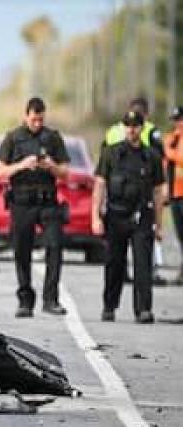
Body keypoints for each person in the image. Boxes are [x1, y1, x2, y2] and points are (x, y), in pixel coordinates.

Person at [0, 97, 70, 318]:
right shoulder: (13, 138)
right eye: (34, 119)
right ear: (26, 116)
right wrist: (21, 165)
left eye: (41, 119)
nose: (37, 123)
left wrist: (51, 166)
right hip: (22, 202)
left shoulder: (53, 138)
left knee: (55, 247)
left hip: (47, 201)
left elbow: (65, 173)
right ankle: (25, 301)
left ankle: (51, 299)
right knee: (22, 251)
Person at [92, 111, 166, 323]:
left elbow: (159, 191)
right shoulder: (111, 153)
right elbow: (99, 184)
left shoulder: (151, 156)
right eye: (128, 125)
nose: (131, 129)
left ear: (142, 128)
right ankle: (109, 305)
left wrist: (159, 225)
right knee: (114, 263)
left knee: (143, 265)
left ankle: (143, 309)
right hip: (116, 215)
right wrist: (95, 217)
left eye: (135, 126)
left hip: (142, 215)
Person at [103, 97, 167, 285]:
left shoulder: (114, 131)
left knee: (134, 253)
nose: (131, 129)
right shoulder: (152, 131)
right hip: (127, 200)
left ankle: (141, 303)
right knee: (135, 254)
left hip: (134, 200)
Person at [163, 106, 183, 285]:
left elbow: (179, 158)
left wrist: (169, 151)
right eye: (175, 120)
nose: (177, 124)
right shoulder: (172, 138)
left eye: (180, 120)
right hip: (175, 194)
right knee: (180, 234)